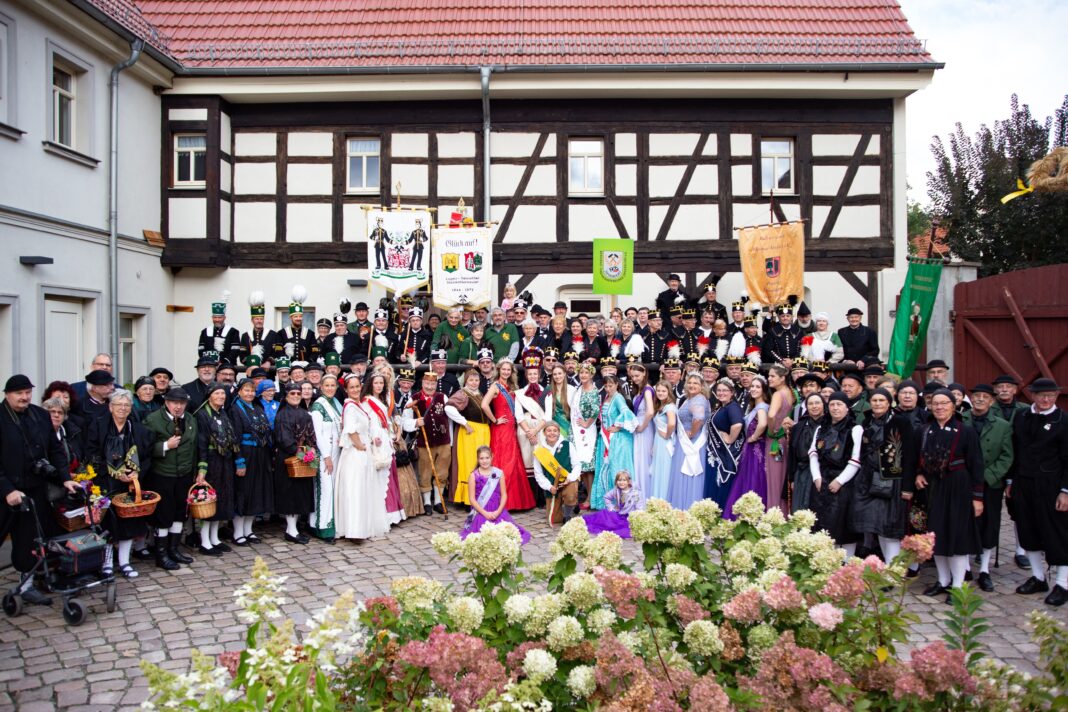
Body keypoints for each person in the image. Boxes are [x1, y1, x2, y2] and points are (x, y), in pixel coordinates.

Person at [0, 376, 76, 603]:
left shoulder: (41, 415)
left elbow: (56, 452)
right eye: (18, 394)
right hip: (5, 491)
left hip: (33, 489)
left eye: (27, 393)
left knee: (30, 539)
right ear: (7, 394)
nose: (24, 397)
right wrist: (7, 490)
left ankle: (27, 585)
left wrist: (65, 479)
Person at [910, 388, 984, 603]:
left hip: (958, 487)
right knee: (936, 535)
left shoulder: (966, 431)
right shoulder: (923, 431)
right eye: (936, 403)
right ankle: (943, 581)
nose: (940, 407)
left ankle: (958, 585)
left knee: (958, 536)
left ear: (954, 406)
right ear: (930, 406)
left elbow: (977, 465)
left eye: (945, 403)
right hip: (933, 488)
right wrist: (918, 474)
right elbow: (915, 459)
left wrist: (977, 497)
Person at [1006, 378, 1068, 606]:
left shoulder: (1063, 421)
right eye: (1042, 395)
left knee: (1057, 533)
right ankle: (1038, 577)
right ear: (1032, 395)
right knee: (1027, 530)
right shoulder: (1022, 417)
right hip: (1024, 482)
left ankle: (1062, 584)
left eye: (1051, 395)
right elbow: (1015, 450)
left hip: (1051, 485)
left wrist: (1065, 491)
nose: (1046, 399)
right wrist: (1011, 480)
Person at [850, 387, 916, 567]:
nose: (878, 404)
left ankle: (893, 571)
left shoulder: (901, 422)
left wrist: (908, 487)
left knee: (890, 529)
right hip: (868, 478)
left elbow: (910, 455)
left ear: (889, 402)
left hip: (892, 480)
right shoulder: (865, 422)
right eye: (875, 400)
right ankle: (886, 567)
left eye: (882, 400)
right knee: (875, 526)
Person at [962, 384, 1014, 592]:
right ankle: (964, 566)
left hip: (990, 483)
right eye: (977, 396)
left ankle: (984, 569)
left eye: (985, 397)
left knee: (989, 524)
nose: (980, 400)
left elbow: (1007, 455)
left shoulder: (1002, 425)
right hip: (963, 481)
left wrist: (988, 475)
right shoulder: (961, 418)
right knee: (964, 523)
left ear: (992, 401)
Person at [143, 387, 198, 570]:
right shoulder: (153, 420)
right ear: (166, 402)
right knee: (163, 515)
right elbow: (144, 448)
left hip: (184, 473)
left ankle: (174, 549)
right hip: (162, 475)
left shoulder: (190, 419)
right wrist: (165, 445)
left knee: (179, 512)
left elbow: (195, 446)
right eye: (175, 403)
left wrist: (198, 470)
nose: (178, 407)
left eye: (182, 403)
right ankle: (161, 554)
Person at [807, 392, 864, 559]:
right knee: (822, 523)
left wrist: (839, 481)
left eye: (839, 404)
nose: (835, 408)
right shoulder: (820, 428)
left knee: (843, 524)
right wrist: (817, 477)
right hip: (821, 480)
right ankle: (825, 560)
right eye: (832, 404)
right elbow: (813, 454)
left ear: (847, 408)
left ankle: (846, 562)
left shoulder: (855, 429)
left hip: (844, 482)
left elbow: (855, 459)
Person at [334, 375, 390, 540]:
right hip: (355, 453)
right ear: (346, 390)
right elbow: (351, 430)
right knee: (355, 489)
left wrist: (370, 441)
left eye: (357, 386)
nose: (355, 390)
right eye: (351, 387)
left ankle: (362, 527)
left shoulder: (358, 405)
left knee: (363, 488)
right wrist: (361, 445)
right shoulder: (351, 406)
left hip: (363, 451)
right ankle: (354, 530)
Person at [481, 360, 535, 511]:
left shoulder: (511, 387)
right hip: (501, 430)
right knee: (504, 461)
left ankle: (514, 501)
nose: (506, 372)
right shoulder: (495, 386)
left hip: (511, 428)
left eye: (508, 370)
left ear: (511, 372)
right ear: (499, 370)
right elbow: (484, 404)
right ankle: (501, 501)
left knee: (514, 460)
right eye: (503, 370)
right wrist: (494, 420)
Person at [193, 384, 239, 557]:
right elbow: (202, 443)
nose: (221, 396)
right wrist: (202, 469)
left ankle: (215, 537)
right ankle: (205, 540)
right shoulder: (203, 415)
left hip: (224, 459)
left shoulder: (223, 412)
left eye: (223, 393)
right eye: (217, 393)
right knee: (209, 500)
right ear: (210, 396)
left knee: (221, 498)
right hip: (211, 461)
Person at [228, 378, 272, 545]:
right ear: (239, 392)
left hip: (259, 454)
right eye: (246, 390)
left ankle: (249, 529)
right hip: (245, 453)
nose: (250, 393)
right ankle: (238, 532)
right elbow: (235, 438)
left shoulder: (257, 408)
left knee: (255, 492)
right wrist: (239, 461)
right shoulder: (235, 410)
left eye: (252, 391)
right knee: (243, 492)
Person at [273, 383, 318, 545]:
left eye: (298, 393)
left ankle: (294, 528)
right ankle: (291, 530)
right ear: (286, 395)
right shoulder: (282, 415)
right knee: (290, 495)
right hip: (288, 459)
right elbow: (284, 440)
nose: (296, 395)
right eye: (292, 393)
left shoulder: (304, 413)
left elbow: (312, 436)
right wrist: (301, 453)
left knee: (300, 494)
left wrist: (311, 452)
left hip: (303, 459)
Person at [361, 372, 406, 527]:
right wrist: (373, 438)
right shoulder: (366, 402)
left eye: (381, 383)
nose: (379, 386)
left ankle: (391, 513)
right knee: (380, 477)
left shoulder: (382, 401)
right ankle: (381, 515)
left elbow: (388, 419)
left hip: (386, 438)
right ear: (370, 384)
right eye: (376, 383)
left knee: (389, 475)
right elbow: (366, 423)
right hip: (376, 441)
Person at [460, 446, 531, 544]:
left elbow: (504, 495)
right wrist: (485, 513)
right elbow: (472, 499)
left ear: (491, 457)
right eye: (481, 458)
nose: (484, 461)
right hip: (481, 512)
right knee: (481, 539)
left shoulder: (498, 473)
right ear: (477, 459)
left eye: (487, 458)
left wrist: (498, 511)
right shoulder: (473, 476)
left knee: (504, 537)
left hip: (497, 511)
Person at [404, 371, 452, 514]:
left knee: (442, 471)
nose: (430, 387)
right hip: (424, 442)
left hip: (443, 441)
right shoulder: (413, 398)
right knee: (425, 471)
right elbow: (404, 422)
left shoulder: (442, 397)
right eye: (427, 383)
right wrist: (415, 422)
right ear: (422, 383)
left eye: (433, 384)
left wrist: (450, 440)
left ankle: (438, 501)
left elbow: (449, 419)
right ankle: (427, 503)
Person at [724, 377, 771, 518]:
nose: (754, 389)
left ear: (763, 390)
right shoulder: (756, 406)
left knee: (754, 479)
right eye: (752, 386)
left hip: (757, 448)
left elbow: (762, 424)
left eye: (758, 387)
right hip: (751, 449)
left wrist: (753, 437)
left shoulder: (762, 406)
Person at [445, 370, 492, 506]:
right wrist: (464, 422)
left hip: (482, 432)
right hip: (470, 433)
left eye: (476, 380)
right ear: (466, 381)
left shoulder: (479, 394)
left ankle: (479, 495)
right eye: (471, 380)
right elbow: (448, 408)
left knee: (481, 462)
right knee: (469, 463)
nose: (474, 383)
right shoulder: (463, 393)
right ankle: (467, 499)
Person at [591, 375, 637, 511]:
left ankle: (623, 504)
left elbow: (627, 414)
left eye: (611, 385)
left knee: (616, 469)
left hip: (618, 440)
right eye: (606, 386)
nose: (608, 388)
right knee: (606, 469)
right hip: (606, 438)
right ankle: (606, 502)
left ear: (617, 385)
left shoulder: (618, 398)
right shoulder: (607, 397)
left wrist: (619, 426)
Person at [667, 374, 711, 510]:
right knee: (683, 471)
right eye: (690, 383)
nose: (692, 385)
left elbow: (698, 418)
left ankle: (687, 505)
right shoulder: (689, 399)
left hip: (692, 442)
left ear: (702, 386)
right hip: (685, 439)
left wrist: (692, 432)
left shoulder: (699, 399)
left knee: (689, 471)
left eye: (696, 384)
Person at [308, 374, 343, 542]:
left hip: (336, 451)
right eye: (327, 385)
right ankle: (321, 527)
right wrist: (326, 456)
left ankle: (328, 523)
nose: (330, 388)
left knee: (332, 488)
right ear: (321, 387)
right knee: (325, 489)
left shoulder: (336, 404)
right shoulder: (318, 406)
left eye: (332, 385)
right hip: (324, 453)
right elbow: (318, 434)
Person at [704, 378, 744, 508]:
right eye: (719, 390)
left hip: (724, 453)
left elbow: (737, 425)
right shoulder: (723, 407)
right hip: (716, 453)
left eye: (725, 390)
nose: (721, 393)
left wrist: (730, 439)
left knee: (721, 484)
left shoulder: (732, 407)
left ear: (732, 392)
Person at [515, 354, 548, 503]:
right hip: (525, 429)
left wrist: (536, 431)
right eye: (530, 374)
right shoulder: (520, 393)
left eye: (535, 373)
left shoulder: (547, 391)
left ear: (539, 375)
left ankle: (542, 496)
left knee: (541, 458)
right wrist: (529, 431)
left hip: (541, 428)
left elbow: (548, 415)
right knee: (527, 460)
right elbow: (518, 415)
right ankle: (530, 497)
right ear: (526, 375)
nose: (533, 376)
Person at [786, 393, 826, 513]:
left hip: (820, 471)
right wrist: (792, 478)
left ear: (824, 405)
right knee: (798, 508)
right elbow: (792, 454)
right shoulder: (799, 426)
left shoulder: (828, 425)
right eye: (810, 403)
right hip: (801, 471)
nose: (814, 406)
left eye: (817, 403)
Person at [532, 422, 577, 524]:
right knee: (555, 520)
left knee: (570, 496)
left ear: (558, 432)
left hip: (567, 482)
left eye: (555, 430)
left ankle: (568, 514)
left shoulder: (568, 445)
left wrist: (570, 478)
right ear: (544, 433)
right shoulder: (540, 451)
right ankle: (565, 505)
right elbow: (538, 474)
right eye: (549, 430)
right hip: (552, 487)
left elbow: (577, 465)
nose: (552, 433)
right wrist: (549, 487)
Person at [765, 365, 796, 513]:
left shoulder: (778, 395)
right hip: (786, 440)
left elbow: (771, 415)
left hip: (775, 441)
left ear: (782, 378)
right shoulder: (791, 392)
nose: (769, 379)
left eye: (772, 376)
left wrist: (772, 429)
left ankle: (775, 514)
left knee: (774, 480)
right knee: (783, 477)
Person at [570, 363, 601, 509]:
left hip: (587, 431)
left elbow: (595, 410)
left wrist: (587, 423)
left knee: (589, 466)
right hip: (576, 429)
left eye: (586, 373)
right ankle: (582, 496)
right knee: (581, 464)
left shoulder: (593, 390)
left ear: (591, 375)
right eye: (581, 372)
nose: (583, 375)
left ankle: (590, 497)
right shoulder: (579, 388)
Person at [583, 470, 644, 538]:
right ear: (616, 481)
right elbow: (606, 497)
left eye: (624, 480)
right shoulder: (616, 490)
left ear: (628, 481)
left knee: (620, 528)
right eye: (619, 480)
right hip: (619, 514)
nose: (621, 482)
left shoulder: (635, 493)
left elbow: (640, 507)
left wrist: (636, 519)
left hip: (629, 517)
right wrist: (612, 507)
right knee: (604, 514)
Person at [629, 365, 656, 497]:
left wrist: (643, 426)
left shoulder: (647, 390)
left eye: (637, 376)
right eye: (632, 376)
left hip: (644, 429)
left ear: (644, 373)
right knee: (638, 461)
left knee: (643, 462)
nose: (634, 379)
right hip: (638, 427)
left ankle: (645, 496)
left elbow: (650, 412)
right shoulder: (639, 390)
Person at [649, 383, 678, 502]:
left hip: (665, 443)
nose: (660, 393)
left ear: (669, 392)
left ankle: (663, 500)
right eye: (659, 391)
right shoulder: (661, 405)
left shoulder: (669, 407)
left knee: (664, 470)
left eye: (663, 391)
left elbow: (672, 423)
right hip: (658, 442)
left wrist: (667, 435)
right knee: (658, 470)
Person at [198, 294, 241, 366]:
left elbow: (235, 351)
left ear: (224, 318)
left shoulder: (233, 331)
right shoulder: (205, 331)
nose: (217, 320)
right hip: (209, 366)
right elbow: (201, 350)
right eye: (215, 317)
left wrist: (223, 362)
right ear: (212, 318)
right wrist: (208, 362)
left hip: (227, 366)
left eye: (220, 317)